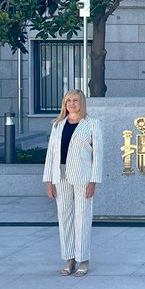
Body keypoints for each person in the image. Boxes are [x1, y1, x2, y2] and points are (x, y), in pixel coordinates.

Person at [43, 89, 103, 277]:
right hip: (59, 175)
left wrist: (93, 181)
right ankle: (70, 258)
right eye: (68, 100)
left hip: (83, 177)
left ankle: (83, 259)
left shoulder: (92, 124)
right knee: (65, 217)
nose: (72, 104)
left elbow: (98, 156)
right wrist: (48, 181)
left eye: (75, 100)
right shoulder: (57, 125)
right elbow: (50, 155)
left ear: (82, 102)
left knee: (82, 218)